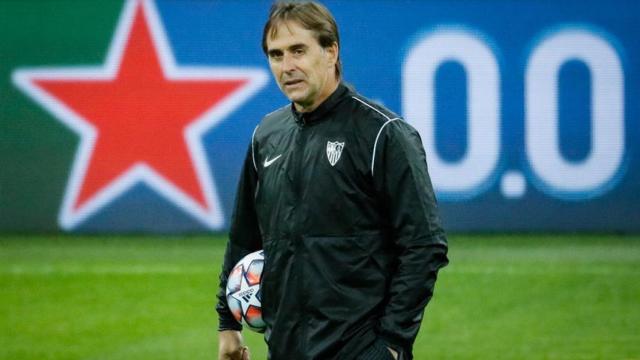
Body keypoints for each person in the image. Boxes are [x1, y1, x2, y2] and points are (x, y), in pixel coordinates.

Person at [216, 2, 448, 359]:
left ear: (331, 51)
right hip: (285, 348)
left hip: (360, 349)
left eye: (298, 50)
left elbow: (424, 245)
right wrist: (227, 324)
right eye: (276, 55)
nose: (287, 66)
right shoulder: (267, 135)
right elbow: (243, 236)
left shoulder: (383, 134)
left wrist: (391, 342)